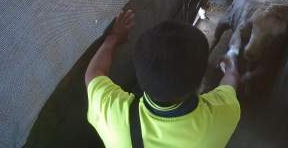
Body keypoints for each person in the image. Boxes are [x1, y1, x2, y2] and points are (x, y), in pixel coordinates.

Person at [85, 10, 241, 148]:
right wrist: (231, 65)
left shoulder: (111, 115)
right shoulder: (222, 116)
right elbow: (230, 83)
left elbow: (94, 73)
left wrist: (113, 38)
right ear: (201, 82)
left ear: (140, 76)